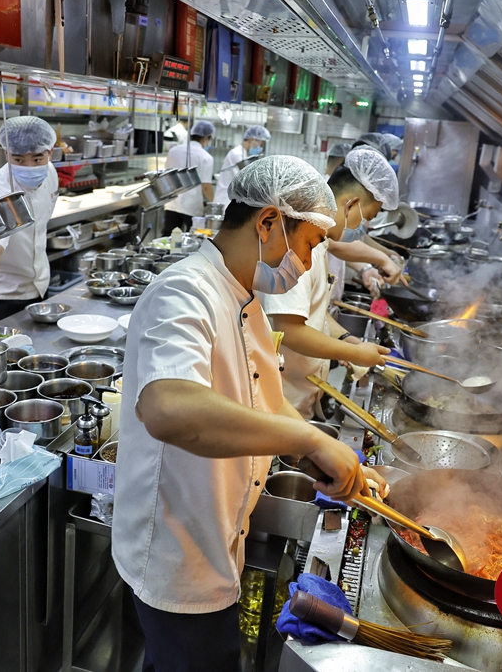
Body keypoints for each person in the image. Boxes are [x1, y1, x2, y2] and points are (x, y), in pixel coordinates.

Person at [112, 155, 385, 672]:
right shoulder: (184, 291)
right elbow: (168, 407)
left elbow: (265, 396)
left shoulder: (247, 300)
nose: (306, 265)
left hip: (217, 541)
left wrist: (317, 448)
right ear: (267, 222)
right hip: (178, 555)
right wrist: (307, 442)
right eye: (306, 246)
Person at [260, 148, 400, 418]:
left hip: (302, 393)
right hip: (281, 401)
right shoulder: (302, 244)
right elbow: (289, 329)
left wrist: (347, 339)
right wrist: (352, 353)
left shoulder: (319, 241)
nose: (363, 230)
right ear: (350, 205)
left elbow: (313, 312)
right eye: (366, 219)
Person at [0, 116, 59, 337]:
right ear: (6, 155)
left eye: (37, 159)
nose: (29, 167)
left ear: (49, 153)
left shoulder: (51, 173)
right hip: (3, 294)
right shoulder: (1, 189)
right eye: (19, 160)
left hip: (39, 285)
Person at [161, 120, 215, 236]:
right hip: (192, 207)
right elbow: (206, 186)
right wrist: (214, 203)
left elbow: (166, 175)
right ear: (205, 138)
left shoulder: (174, 151)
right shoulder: (206, 157)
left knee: (169, 240)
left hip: (171, 203)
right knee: (194, 239)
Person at [212, 125, 272, 205]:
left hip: (227, 199)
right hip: (225, 201)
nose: (260, 147)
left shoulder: (241, 153)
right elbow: (246, 180)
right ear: (252, 140)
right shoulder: (237, 154)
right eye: (260, 144)